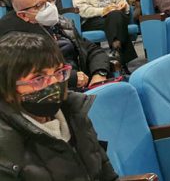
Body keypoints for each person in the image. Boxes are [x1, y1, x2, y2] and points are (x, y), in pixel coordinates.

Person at [0, 32, 118, 181]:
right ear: (7, 89)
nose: (54, 84)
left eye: (59, 72)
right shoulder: (5, 145)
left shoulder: (75, 112)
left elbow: (107, 175)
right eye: (39, 78)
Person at [0, 0, 112, 88]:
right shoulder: (14, 38)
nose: (49, 7)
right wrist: (72, 78)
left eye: (50, 0)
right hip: (51, 93)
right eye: (39, 5)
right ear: (23, 15)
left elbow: (92, 50)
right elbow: (27, 77)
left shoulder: (62, 22)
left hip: (85, 82)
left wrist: (99, 73)